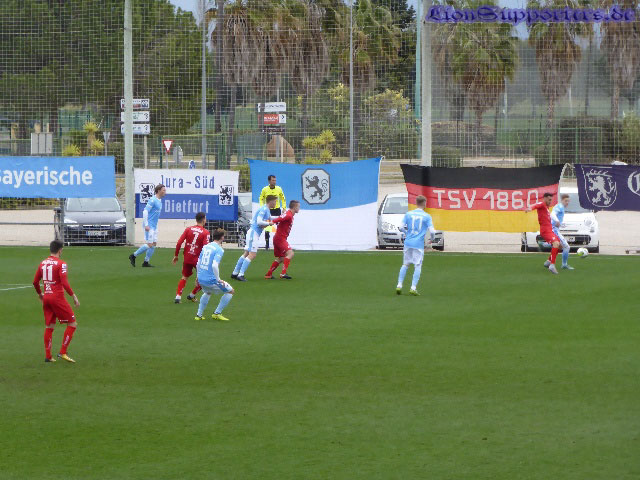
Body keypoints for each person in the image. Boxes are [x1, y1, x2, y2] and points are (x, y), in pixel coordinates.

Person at [32, 240, 80, 363]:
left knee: (49, 326)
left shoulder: (42, 263)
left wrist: (40, 294)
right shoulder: (61, 264)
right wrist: (73, 296)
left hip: (47, 297)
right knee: (72, 324)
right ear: (60, 250)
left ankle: (48, 356)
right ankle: (63, 352)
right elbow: (64, 282)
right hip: (57, 298)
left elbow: (35, 282)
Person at [396, 195, 435, 296]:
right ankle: (413, 288)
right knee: (417, 265)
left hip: (408, 242)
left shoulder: (408, 214)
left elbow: (400, 227)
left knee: (405, 264)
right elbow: (432, 231)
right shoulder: (427, 216)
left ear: (416, 203)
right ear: (424, 203)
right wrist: (432, 239)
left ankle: (399, 285)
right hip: (418, 244)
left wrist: (406, 233)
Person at [231, 195, 276, 281]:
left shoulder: (266, 209)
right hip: (253, 233)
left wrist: (280, 217)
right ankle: (240, 274)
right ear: (270, 201)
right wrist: (269, 223)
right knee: (252, 254)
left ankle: (235, 273)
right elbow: (259, 222)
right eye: (275, 201)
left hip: (253, 233)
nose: (275, 203)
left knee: (246, 253)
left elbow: (270, 218)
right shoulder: (264, 209)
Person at [195, 229, 235, 322]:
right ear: (222, 237)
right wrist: (218, 279)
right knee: (230, 291)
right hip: (211, 280)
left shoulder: (206, 246)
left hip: (201, 277)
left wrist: (197, 276)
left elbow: (198, 263)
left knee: (207, 292)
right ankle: (217, 313)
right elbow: (214, 265)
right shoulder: (219, 249)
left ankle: (199, 315)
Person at [173, 212, 210, 303]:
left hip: (187, 257)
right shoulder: (205, 232)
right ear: (203, 220)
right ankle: (192, 295)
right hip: (198, 260)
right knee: (205, 279)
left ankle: (178, 297)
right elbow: (206, 248)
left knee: (184, 277)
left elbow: (179, 243)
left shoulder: (188, 229)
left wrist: (176, 255)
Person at [129, 184, 166, 267]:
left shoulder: (159, 201)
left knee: (154, 244)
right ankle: (133, 255)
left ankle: (146, 262)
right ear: (159, 191)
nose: (165, 192)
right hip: (149, 225)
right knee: (150, 244)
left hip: (154, 226)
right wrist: (146, 224)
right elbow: (145, 211)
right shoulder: (153, 200)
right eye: (163, 190)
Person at [526, 192, 561, 274]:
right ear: (544, 198)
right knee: (556, 243)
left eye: (551, 200)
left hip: (549, 230)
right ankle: (552, 265)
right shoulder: (542, 204)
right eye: (549, 200)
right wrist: (530, 208)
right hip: (545, 231)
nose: (550, 201)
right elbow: (536, 205)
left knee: (560, 246)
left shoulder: (546, 207)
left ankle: (549, 261)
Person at [265, 200, 300, 280]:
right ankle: (283, 273)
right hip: (280, 238)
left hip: (278, 238)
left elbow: (281, 218)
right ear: (294, 207)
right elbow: (280, 218)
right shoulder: (288, 215)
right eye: (298, 207)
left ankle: (268, 274)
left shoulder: (289, 214)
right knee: (290, 254)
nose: (299, 208)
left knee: (281, 258)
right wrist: (272, 222)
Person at [259, 175, 286, 250]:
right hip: (269, 210)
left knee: (280, 227)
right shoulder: (265, 189)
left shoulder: (279, 189)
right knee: (267, 227)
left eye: (275, 180)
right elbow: (261, 198)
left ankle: (280, 244)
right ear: (269, 181)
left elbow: (283, 198)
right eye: (273, 180)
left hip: (277, 210)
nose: (274, 182)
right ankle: (267, 245)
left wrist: (284, 207)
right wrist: (262, 207)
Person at [551, 193, 574, 270]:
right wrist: (557, 221)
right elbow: (552, 214)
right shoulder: (560, 207)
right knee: (566, 247)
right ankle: (564, 265)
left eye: (568, 201)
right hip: (554, 229)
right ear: (562, 200)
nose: (567, 202)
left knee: (559, 246)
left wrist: (561, 224)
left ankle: (548, 262)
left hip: (554, 229)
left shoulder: (561, 207)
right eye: (566, 201)